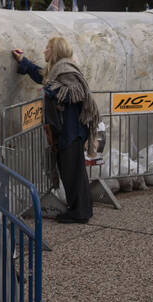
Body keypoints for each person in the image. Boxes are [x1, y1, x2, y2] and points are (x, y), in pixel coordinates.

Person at [13, 37, 100, 224]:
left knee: (72, 172)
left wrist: (52, 91)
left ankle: (79, 212)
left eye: (47, 48)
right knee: (72, 171)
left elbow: (77, 92)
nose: (44, 51)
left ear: (56, 51)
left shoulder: (66, 69)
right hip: (67, 129)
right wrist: (24, 62)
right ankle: (81, 209)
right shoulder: (57, 70)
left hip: (72, 130)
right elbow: (41, 76)